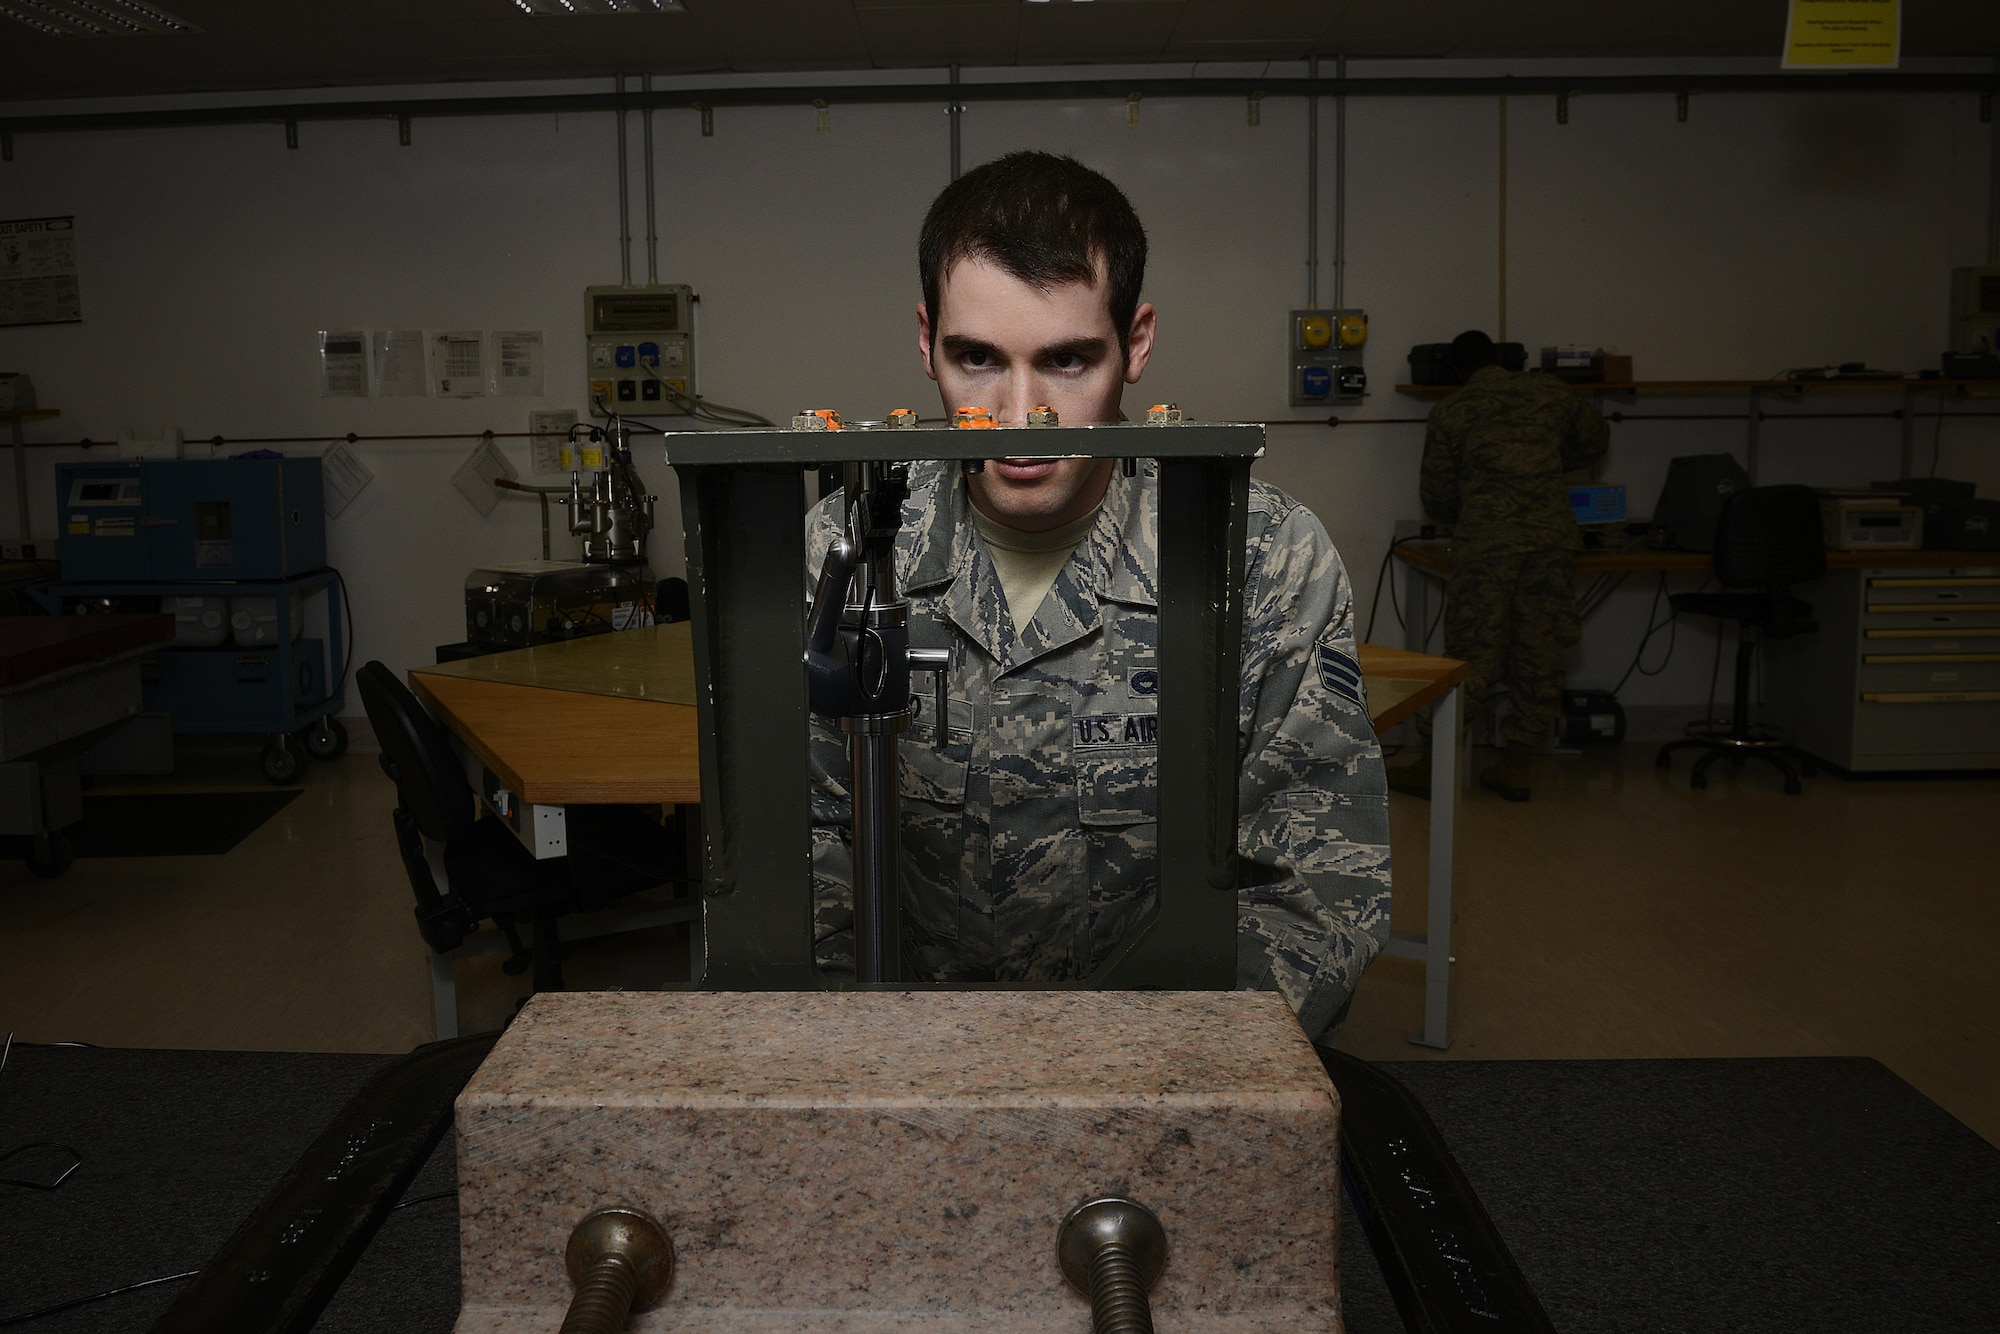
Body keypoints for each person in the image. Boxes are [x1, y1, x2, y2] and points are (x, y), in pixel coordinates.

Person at [802, 151, 1389, 1042]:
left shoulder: (1261, 558)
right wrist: (869, 1066)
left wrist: (1164, 1085)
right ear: (926, 343)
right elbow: (803, 848)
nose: (1020, 416)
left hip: (1171, 1074)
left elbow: (1318, 891)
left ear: (1137, 344)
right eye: (977, 359)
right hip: (912, 1063)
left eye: (1069, 360)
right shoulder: (848, 554)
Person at [1397, 330, 1609, 802]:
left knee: (1471, 653)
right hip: (1550, 542)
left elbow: (1436, 490)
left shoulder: (1453, 410)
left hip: (1487, 545)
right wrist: (1551, 462)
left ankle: (1436, 769)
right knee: (1540, 650)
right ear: (1501, 360)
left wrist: (1466, 516)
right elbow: (1594, 440)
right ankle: (1517, 766)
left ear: (1458, 370)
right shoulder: (1550, 392)